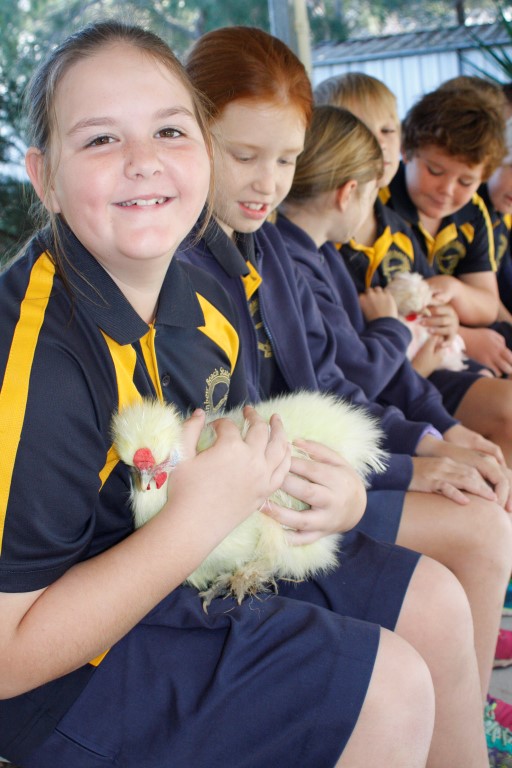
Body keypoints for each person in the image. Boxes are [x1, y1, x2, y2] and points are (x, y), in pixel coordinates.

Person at [0, 18, 462, 768]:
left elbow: (247, 446)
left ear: (202, 153)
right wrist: (199, 517)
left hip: (189, 566)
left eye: (170, 132)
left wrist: (336, 493)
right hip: (58, 676)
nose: (144, 163)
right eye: (100, 140)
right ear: (44, 177)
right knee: (387, 687)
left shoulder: (207, 300)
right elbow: (9, 655)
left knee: (433, 603)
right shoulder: (37, 366)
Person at [180, 25, 512, 765]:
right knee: (471, 542)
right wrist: (409, 459)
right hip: (250, 524)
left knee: (472, 535)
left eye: (286, 160)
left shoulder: (267, 249)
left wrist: (425, 444)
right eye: (245, 157)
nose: (267, 182)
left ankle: (463, 718)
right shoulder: (226, 258)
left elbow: (320, 389)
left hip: (300, 482)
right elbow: (329, 390)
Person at [314, 71, 512, 467]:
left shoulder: (396, 227)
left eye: (386, 130)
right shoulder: (327, 242)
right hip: (398, 382)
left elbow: (465, 306)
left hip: (424, 366)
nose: (446, 190)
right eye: (436, 171)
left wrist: (450, 320)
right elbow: (362, 371)